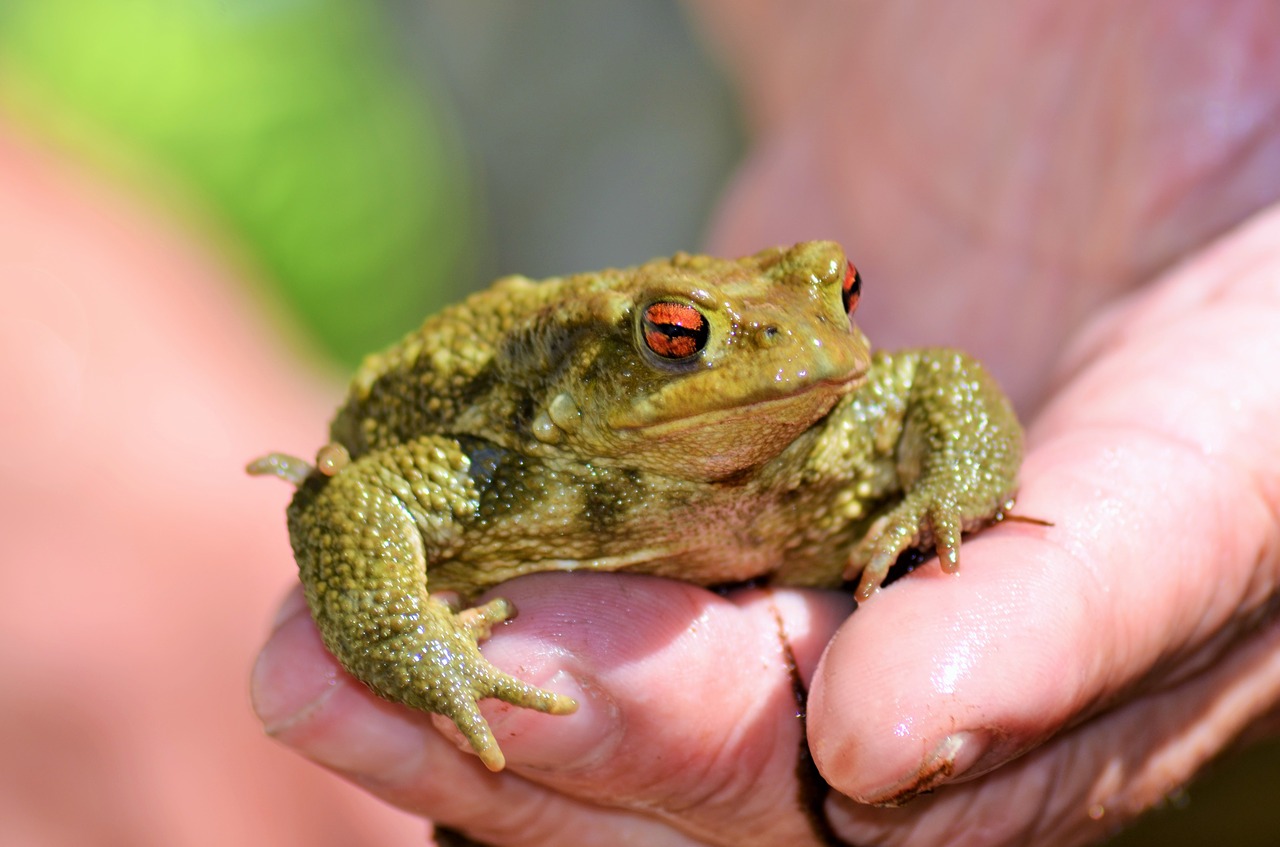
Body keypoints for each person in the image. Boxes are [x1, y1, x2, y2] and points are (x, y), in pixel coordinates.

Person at [251, 3, 1280, 845]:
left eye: (842, 293)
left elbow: (943, 383)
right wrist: (409, 646)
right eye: (679, 336)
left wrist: (950, 492)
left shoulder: (833, 416)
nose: (813, 343)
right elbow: (355, 498)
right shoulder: (501, 461)